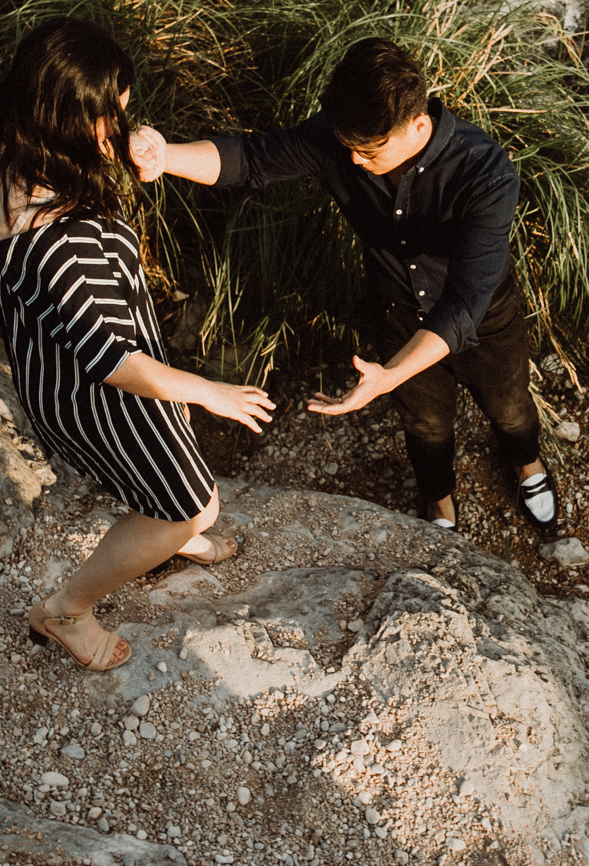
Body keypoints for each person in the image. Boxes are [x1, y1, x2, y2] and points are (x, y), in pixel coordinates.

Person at [130, 37, 555, 533]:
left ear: (418, 125)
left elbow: (464, 303)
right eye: (348, 147)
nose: (353, 161)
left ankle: (528, 465)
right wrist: (165, 157)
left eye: (369, 151)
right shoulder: (344, 141)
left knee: (509, 405)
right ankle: (439, 505)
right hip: (397, 311)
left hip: (486, 318)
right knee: (425, 424)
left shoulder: (485, 172)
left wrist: (388, 376)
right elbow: (251, 160)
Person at [0, 17, 273, 672]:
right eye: (111, 119)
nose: (123, 132)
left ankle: (159, 533)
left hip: (67, 362)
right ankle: (66, 609)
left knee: (190, 501)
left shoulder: (15, 152)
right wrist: (208, 390)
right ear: (66, 115)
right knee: (195, 505)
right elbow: (111, 362)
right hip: (92, 389)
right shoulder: (58, 240)